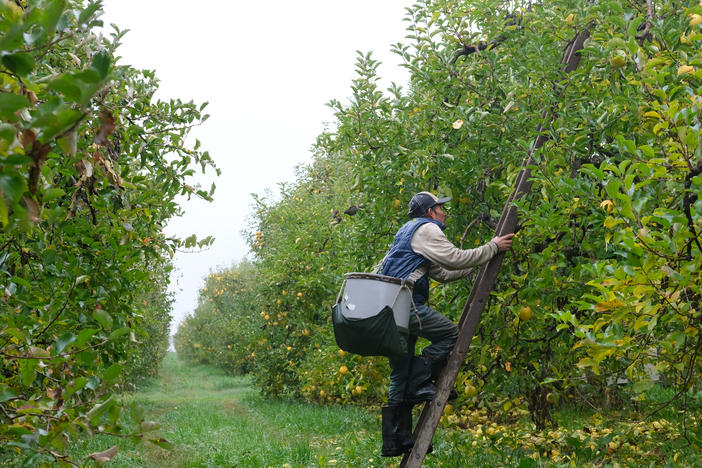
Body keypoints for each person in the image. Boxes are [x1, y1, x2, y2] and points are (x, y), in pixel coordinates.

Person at [377, 191, 514, 457]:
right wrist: (493, 247)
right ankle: (421, 381)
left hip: (389, 309)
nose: (444, 213)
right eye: (441, 208)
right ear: (430, 212)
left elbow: (443, 272)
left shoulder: (407, 231)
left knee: (399, 373)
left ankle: (396, 440)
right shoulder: (428, 229)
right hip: (407, 305)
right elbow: (454, 258)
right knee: (451, 334)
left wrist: (480, 259)